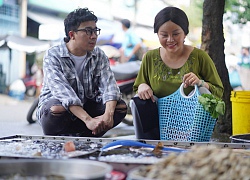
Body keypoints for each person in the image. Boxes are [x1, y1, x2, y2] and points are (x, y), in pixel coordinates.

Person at [130, 6, 224, 140]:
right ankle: (147, 145)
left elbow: (218, 91)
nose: (170, 39)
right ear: (157, 34)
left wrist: (200, 83)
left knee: (205, 92)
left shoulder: (200, 57)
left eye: (175, 34)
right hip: (158, 124)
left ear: (185, 33)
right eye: (164, 35)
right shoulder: (150, 57)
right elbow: (138, 86)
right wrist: (142, 86)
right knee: (138, 101)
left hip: (192, 126)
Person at [37, 8, 127, 137]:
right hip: (63, 111)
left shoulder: (99, 55)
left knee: (120, 107)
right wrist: (88, 120)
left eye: (95, 31)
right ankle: (65, 133)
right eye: (88, 31)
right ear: (72, 34)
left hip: (87, 107)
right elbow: (64, 94)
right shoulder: (53, 55)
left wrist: (108, 115)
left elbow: (110, 87)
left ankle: (90, 133)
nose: (94, 36)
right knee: (57, 110)